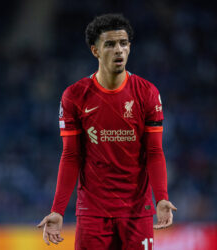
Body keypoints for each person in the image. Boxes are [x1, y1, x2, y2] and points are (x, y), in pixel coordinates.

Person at [37, 13, 176, 250]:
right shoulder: (74, 96)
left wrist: (161, 197)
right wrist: (58, 211)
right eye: (110, 44)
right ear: (95, 51)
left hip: (137, 212)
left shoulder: (147, 93)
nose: (118, 50)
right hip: (93, 212)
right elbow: (71, 157)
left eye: (123, 43)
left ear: (130, 48)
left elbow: (154, 151)